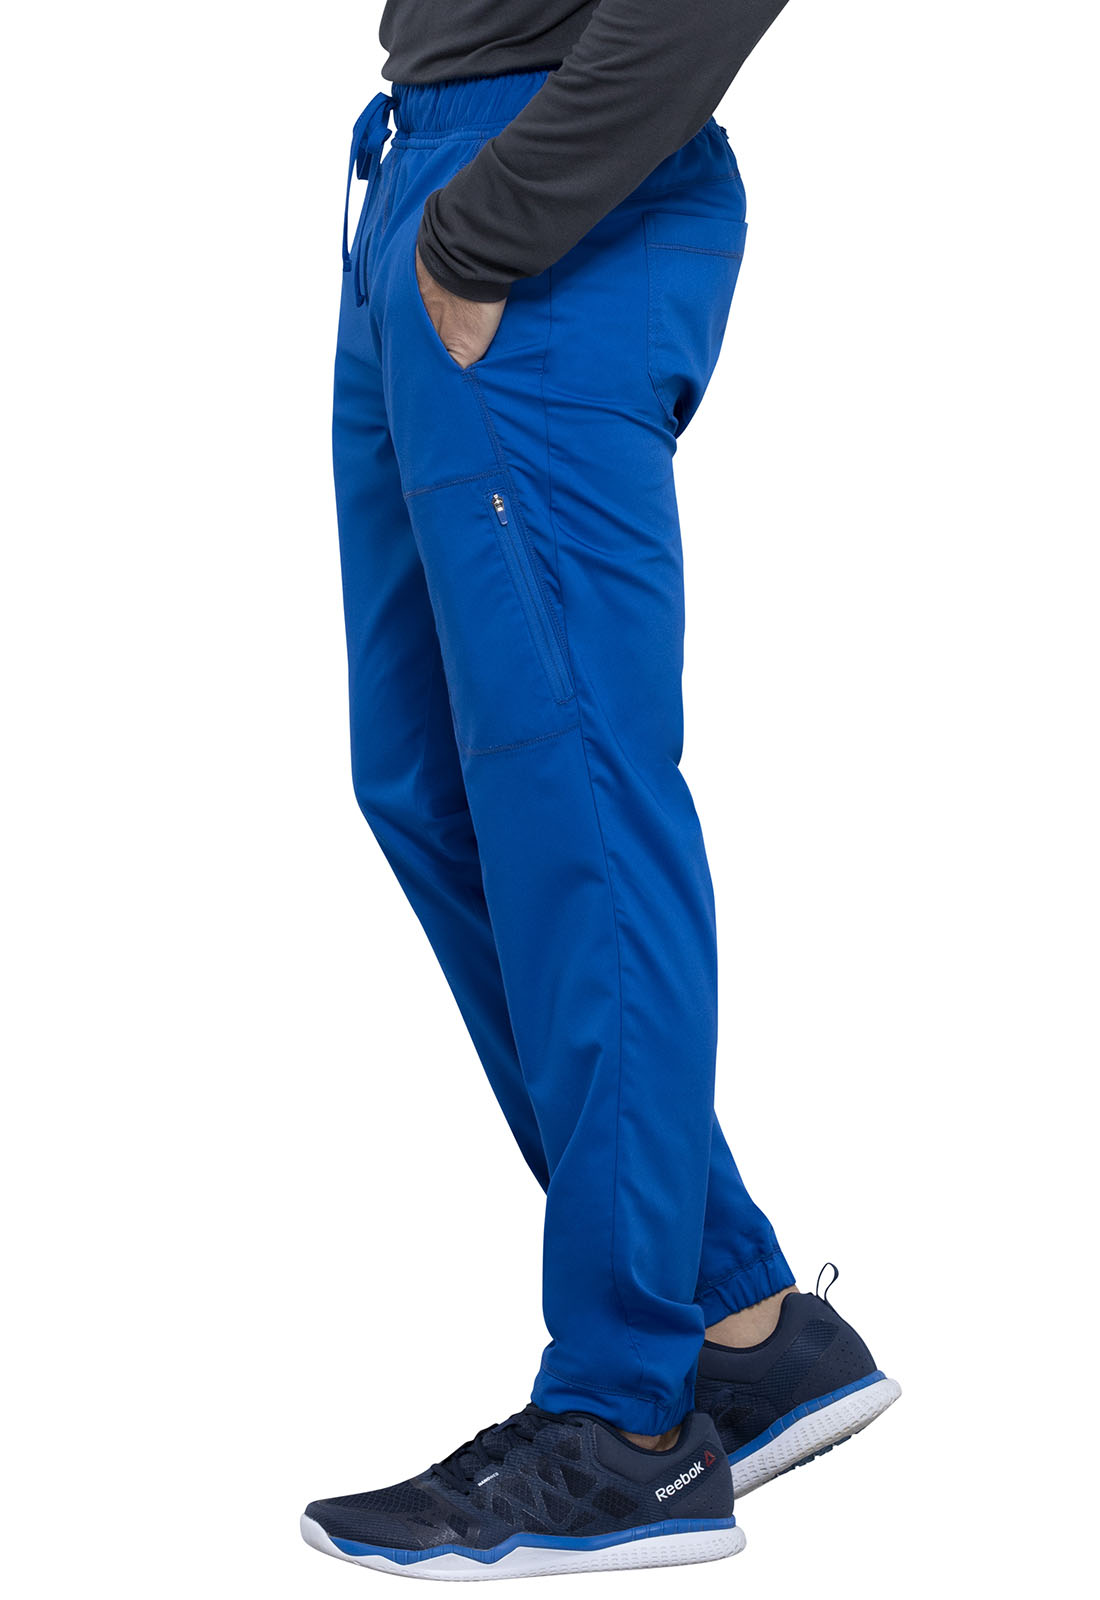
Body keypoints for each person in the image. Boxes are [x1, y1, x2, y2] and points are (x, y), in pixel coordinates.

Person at [302, 0, 900, 1578]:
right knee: (428, 788)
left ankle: (629, 1427)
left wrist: (487, 226)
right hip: (432, 178)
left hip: (539, 207)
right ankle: (736, 1321)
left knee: (574, 805)